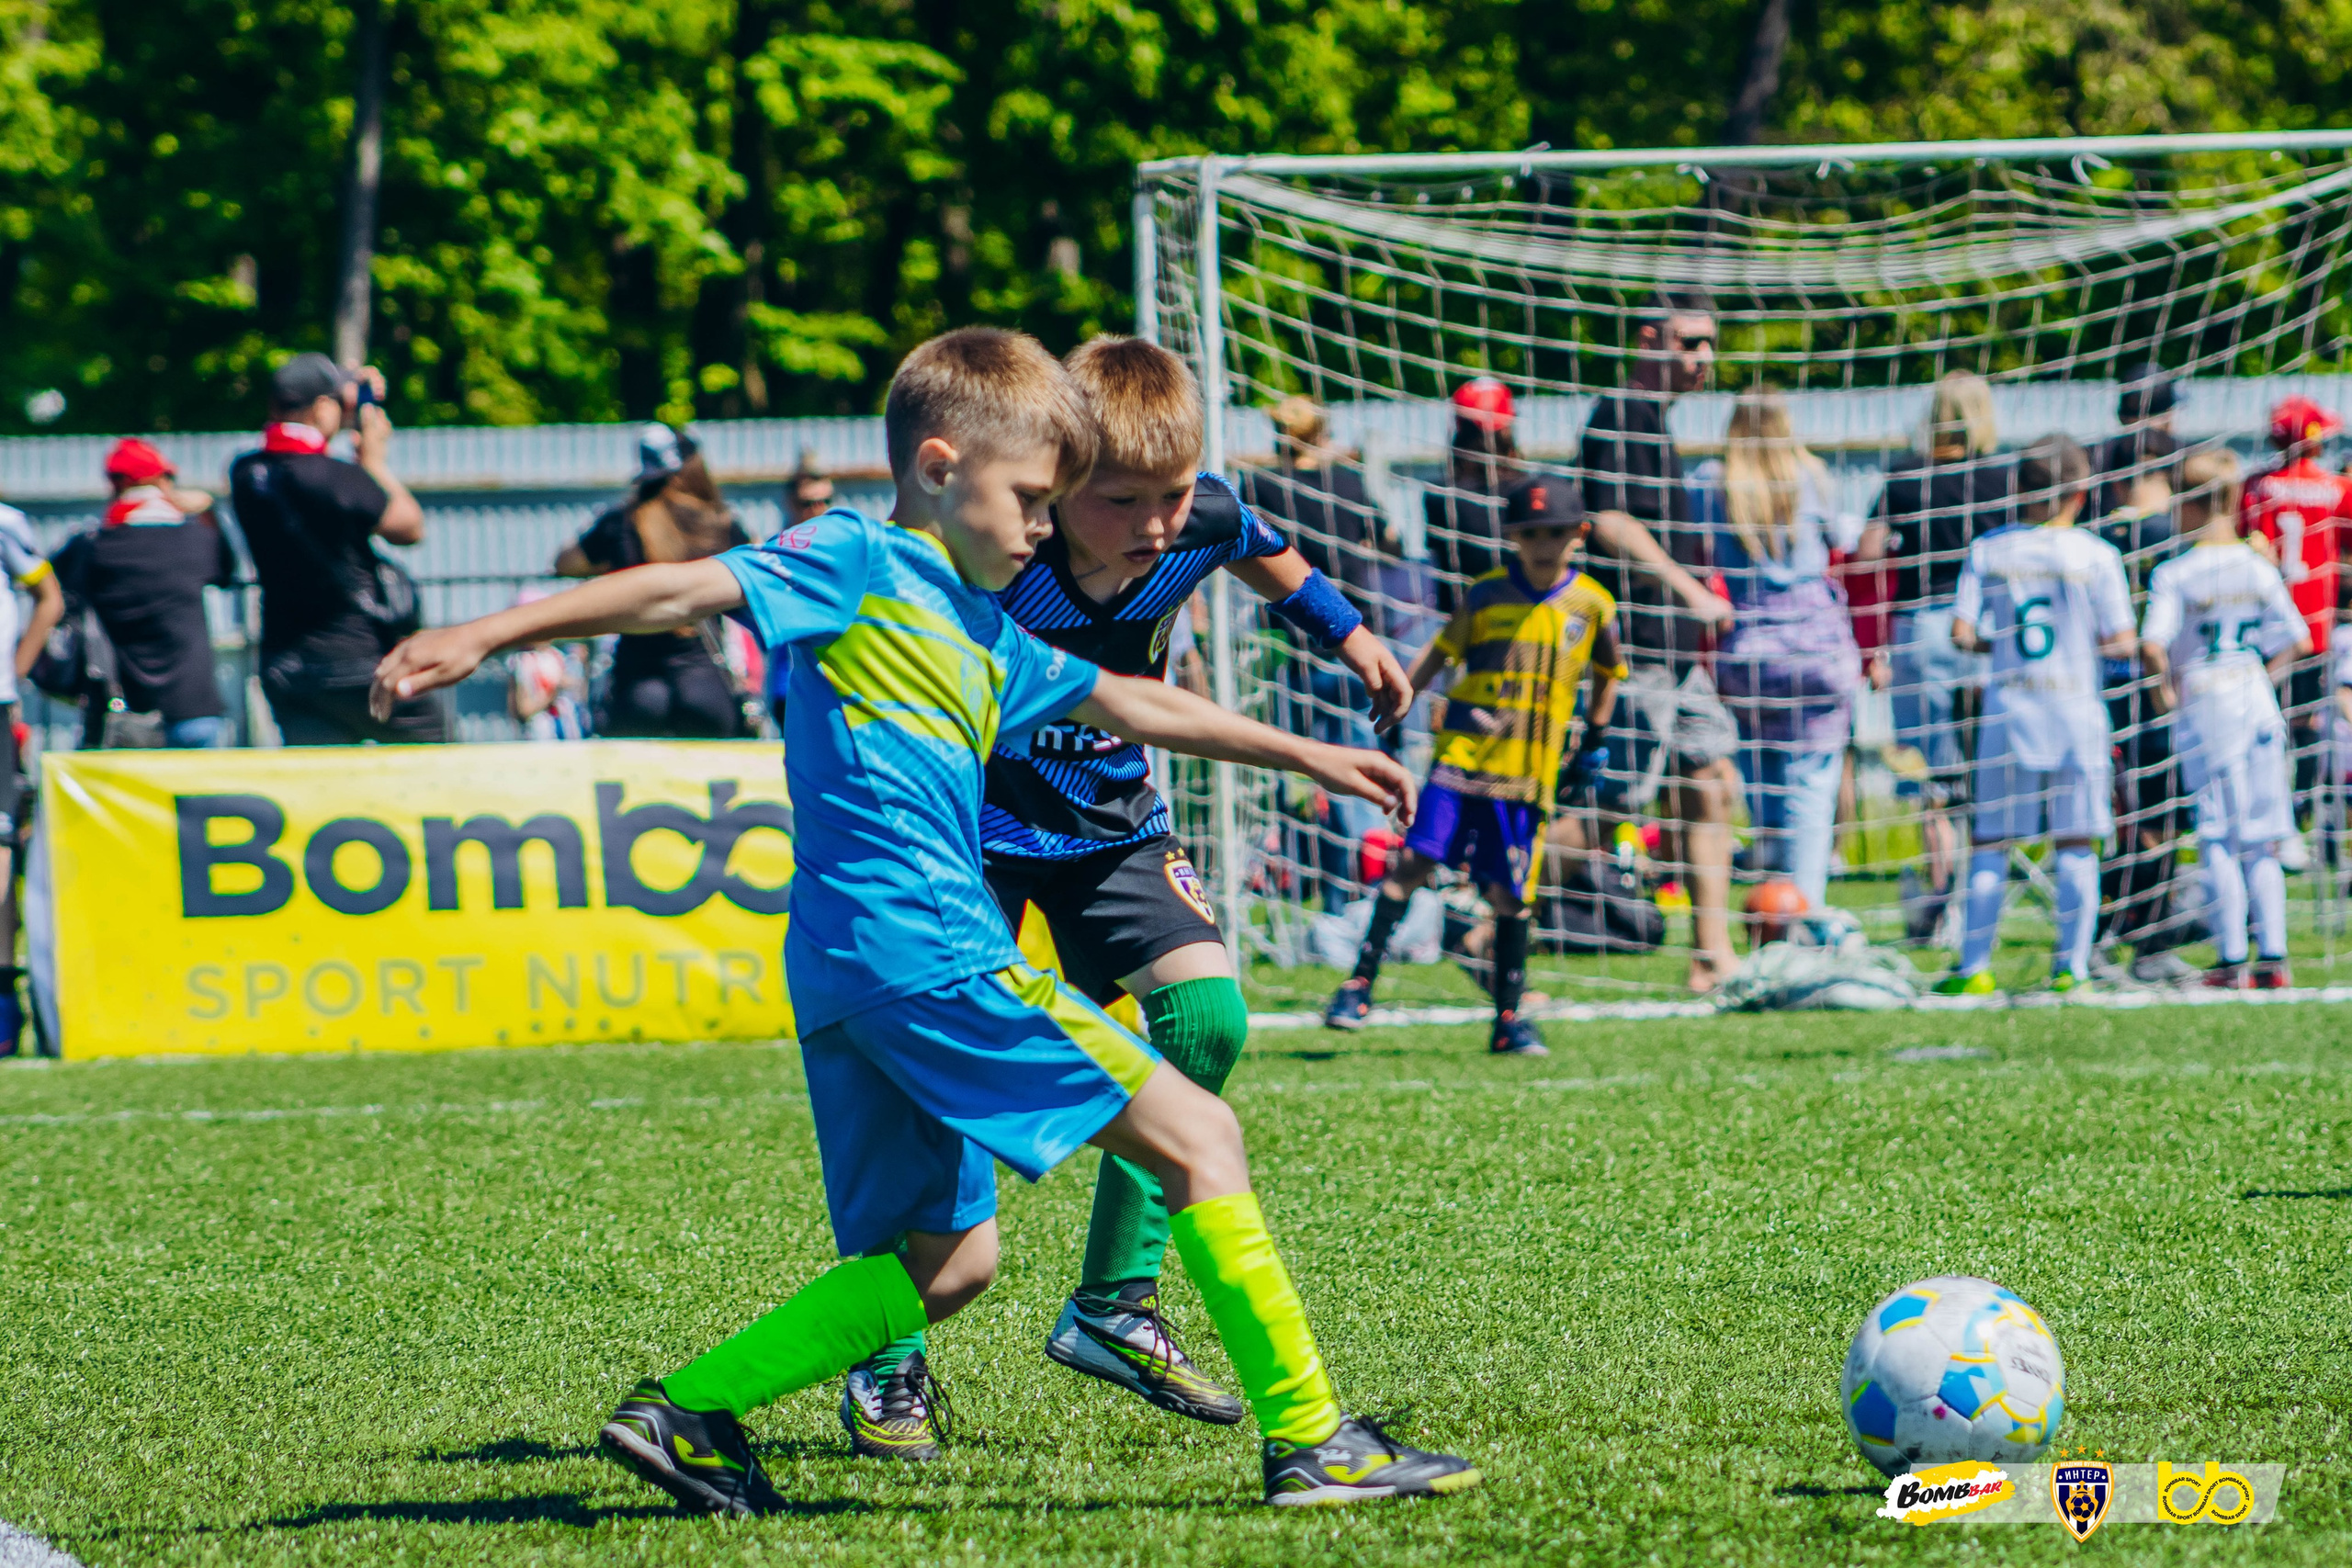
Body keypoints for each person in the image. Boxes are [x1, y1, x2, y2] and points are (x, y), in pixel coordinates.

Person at [370, 326, 1477, 1513]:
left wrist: (1311, 749)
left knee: (953, 1263)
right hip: (933, 950)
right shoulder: (853, 556)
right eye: (1031, 500)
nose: (1043, 528)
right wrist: (480, 632)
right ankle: (1312, 1439)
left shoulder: (980, 623)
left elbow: (1130, 701)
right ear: (941, 465)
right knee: (1202, 1137)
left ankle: (688, 1412)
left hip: (850, 975)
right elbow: (682, 586)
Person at [870, 336, 1410, 1452]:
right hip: (980, 836)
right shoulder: (993, 561)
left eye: (1172, 494)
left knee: (1208, 1015)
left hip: (1115, 826)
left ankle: (1113, 1305)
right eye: (1120, 500)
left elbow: (1269, 549)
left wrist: (1353, 638)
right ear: (1059, 481)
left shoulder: (1195, 518)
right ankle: (891, 1358)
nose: (1158, 522)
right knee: (942, 1090)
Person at [1327, 474, 1624, 1056]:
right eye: (1531, 533)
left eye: (1557, 533)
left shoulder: (1592, 604)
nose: (1544, 544)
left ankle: (1509, 1018)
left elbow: (1610, 671)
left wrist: (1595, 738)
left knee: (1511, 895)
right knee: (1412, 864)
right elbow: (1441, 652)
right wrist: (1398, 700)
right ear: (1513, 536)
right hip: (1460, 762)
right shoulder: (1486, 594)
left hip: (1527, 775)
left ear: (1579, 534)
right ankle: (1358, 986)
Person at [1577, 289, 1741, 989]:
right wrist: (1690, 589)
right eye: (1690, 342)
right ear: (1649, 340)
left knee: (1713, 777)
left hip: (1675, 651)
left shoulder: (1660, 422)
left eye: (1709, 343)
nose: (1705, 357)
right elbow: (1610, 521)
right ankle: (1481, 914)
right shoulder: (1620, 414)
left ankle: (1711, 952)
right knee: (1605, 805)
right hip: (1636, 647)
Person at [1935, 435, 2135, 996]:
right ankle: (2071, 968)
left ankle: (1973, 967)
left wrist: (2003, 650)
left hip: (2010, 709)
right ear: (2081, 490)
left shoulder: (1989, 549)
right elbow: (2121, 642)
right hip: (2075, 708)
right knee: (2075, 840)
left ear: (2019, 488)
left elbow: (1962, 633)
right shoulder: (2098, 555)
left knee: (1992, 841)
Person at [2141, 449, 2311, 989]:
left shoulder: (2175, 572)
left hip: (2207, 705)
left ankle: (2232, 958)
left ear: (2188, 506)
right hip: (2255, 700)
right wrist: (2264, 675)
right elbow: (2299, 639)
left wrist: (2162, 690)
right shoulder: (2257, 565)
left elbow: (2152, 644)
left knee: (2217, 834)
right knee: (2263, 836)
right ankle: (2275, 957)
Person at [1852, 370, 2012, 940]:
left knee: (1934, 777)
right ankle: (1980, 895)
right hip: (1986, 628)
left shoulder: (1904, 478)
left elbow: (1866, 555)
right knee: (1986, 772)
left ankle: (1939, 904)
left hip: (1922, 627)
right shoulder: (2003, 478)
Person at [1696, 393, 1867, 911]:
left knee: (1765, 787)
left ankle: (1773, 907)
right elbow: (1841, 540)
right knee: (1811, 790)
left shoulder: (1710, 480)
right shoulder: (1812, 475)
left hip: (1751, 651)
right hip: (1817, 646)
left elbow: (1697, 552)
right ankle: (1803, 913)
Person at [1243, 395, 1413, 908]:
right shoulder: (1349, 481)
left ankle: (1335, 897)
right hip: (1354, 638)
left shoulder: (1262, 484)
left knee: (1306, 774)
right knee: (1359, 763)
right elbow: (1391, 542)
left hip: (1292, 643)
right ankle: (1363, 890)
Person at [230, 352, 439, 745]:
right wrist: (374, 461)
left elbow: (288, 452)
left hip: (286, 667)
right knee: (430, 755)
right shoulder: (339, 478)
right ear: (323, 408)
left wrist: (346, 393)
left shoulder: (246, 473)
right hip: (358, 660)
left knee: (322, 786)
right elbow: (409, 527)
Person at [2087, 365, 2197, 984]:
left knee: (2114, 820)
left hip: (2098, 692)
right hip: (2156, 694)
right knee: (2157, 819)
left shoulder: (2093, 534)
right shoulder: (2173, 541)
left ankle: (2104, 936)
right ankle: (2147, 940)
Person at [556, 424, 750, 738]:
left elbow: (566, 562)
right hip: (705, 681)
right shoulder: (715, 521)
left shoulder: (619, 521)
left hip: (637, 686)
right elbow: (755, 558)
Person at [52, 438, 239, 749]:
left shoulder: (90, 548)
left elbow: (51, 592)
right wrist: (208, 512)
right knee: (198, 797)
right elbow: (226, 571)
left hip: (122, 713)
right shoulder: (195, 539)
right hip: (194, 707)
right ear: (160, 481)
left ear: (116, 484)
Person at [2238, 394, 2351, 866]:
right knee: (2310, 727)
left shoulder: (2255, 485)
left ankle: (2279, 822)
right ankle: (2305, 814)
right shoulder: (2339, 488)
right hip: (2317, 626)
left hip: (2266, 632)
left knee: (2268, 726)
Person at [0, 493, 62, 1054]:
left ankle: (1, 1001)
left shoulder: (4, 522)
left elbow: (48, 599)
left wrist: (13, 674)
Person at [1424, 379, 1521, 616]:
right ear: (1507, 428)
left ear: (1459, 427)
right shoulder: (1530, 491)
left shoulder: (1440, 494)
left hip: (1461, 625)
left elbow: (1436, 553)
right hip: (1527, 618)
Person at [503, 588, 589, 741]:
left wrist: (581, 666)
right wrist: (552, 694)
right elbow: (523, 709)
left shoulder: (556, 656)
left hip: (567, 730)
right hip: (541, 735)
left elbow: (578, 692)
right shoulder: (522, 663)